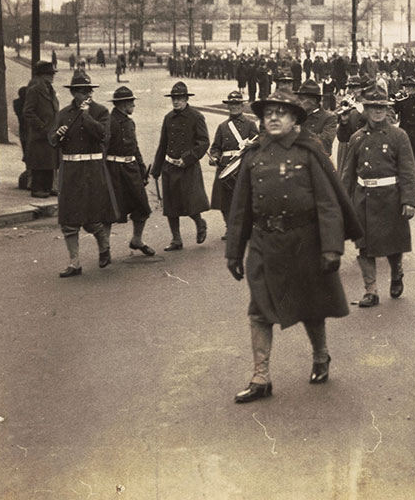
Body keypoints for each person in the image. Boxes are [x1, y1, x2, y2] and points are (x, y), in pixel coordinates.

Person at [224, 90, 363, 403]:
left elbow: (329, 203)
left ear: (294, 119)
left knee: (311, 307)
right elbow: (240, 208)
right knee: (259, 310)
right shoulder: (254, 154)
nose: (273, 118)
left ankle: (320, 355)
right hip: (264, 243)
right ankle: (261, 377)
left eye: (280, 113)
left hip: (304, 241)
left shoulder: (309, 151)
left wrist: (331, 249)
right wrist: (234, 250)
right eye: (268, 113)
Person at [341, 86, 415, 308]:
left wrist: (408, 201)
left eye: (382, 107)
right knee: (364, 246)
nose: (378, 112)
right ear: (365, 109)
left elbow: (407, 171)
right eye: (373, 107)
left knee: (393, 245)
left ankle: (396, 272)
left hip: (391, 199)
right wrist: (343, 204)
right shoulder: (357, 138)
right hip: (363, 199)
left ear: (387, 109)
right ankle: (371, 290)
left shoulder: (398, 136)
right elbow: (347, 175)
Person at [49, 70, 119, 277]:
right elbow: (52, 141)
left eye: (88, 90)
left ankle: (104, 247)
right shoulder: (63, 114)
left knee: (92, 218)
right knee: (69, 219)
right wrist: (58, 135)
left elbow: (103, 135)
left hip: (92, 171)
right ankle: (74, 263)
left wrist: (87, 116)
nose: (86, 94)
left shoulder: (101, 111)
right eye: (81, 91)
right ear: (73, 93)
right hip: (70, 172)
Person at [151, 81, 210, 250]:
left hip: (187, 167)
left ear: (186, 99)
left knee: (190, 202)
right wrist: (156, 169)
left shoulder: (196, 117)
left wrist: (188, 158)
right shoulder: (168, 118)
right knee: (171, 206)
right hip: (169, 167)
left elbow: (204, 142)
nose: (176, 101)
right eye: (174, 98)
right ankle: (176, 239)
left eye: (180, 98)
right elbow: (163, 144)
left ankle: (200, 224)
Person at [103, 86, 154, 256]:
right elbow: (103, 150)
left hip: (131, 170)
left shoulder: (130, 122)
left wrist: (141, 168)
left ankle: (137, 240)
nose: (134, 105)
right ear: (123, 104)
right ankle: (105, 248)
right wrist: (102, 175)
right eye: (131, 102)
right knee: (111, 211)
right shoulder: (110, 123)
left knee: (142, 207)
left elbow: (135, 147)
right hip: (114, 172)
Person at [209, 90, 259, 235]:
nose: (234, 107)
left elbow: (258, 143)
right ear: (228, 106)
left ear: (242, 106)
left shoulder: (250, 124)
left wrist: (251, 147)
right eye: (231, 104)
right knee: (223, 200)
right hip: (225, 166)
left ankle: (245, 226)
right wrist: (215, 157)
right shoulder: (222, 126)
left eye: (237, 104)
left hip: (242, 164)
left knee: (244, 198)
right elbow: (216, 147)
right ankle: (229, 227)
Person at [22, 61, 59, 198]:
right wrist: (42, 126)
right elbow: (28, 112)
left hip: (50, 132)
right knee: (39, 162)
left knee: (49, 161)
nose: (52, 76)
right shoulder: (35, 89)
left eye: (52, 74)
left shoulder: (50, 89)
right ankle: (37, 188)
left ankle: (48, 187)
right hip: (40, 133)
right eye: (49, 74)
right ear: (41, 75)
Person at [297, 80, 338, 158]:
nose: (298, 102)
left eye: (302, 99)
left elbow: (325, 143)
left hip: (318, 162)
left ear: (313, 101)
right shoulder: (296, 115)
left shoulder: (329, 117)